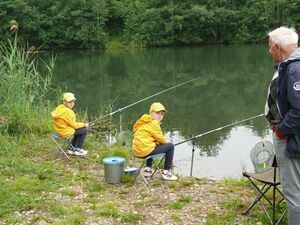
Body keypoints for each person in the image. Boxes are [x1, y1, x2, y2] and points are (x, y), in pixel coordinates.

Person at [265, 26, 300, 224]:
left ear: (278, 46)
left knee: (294, 193)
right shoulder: (291, 65)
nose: (269, 50)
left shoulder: (294, 68)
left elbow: (299, 110)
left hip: (292, 139)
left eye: (270, 46)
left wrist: (281, 131)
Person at [132, 102, 177, 181]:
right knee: (170, 146)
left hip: (137, 152)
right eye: (157, 113)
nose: (160, 115)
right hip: (145, 152)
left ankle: (148, 169)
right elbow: (161, 139)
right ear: (151, 113)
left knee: (152, 145)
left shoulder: (144, 121)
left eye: (162, 114)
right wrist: (165, 144)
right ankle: (166, 172)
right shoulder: (154, 123)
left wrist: (158, 143)